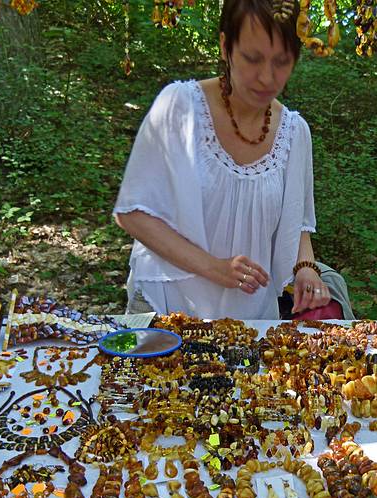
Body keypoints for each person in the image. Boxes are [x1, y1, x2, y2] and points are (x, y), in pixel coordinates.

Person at [113, 0, 332, 319]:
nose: (266, 77)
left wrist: (306, 270)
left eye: (282, 61)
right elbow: (133, 213)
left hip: (250, 318)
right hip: (165, 306)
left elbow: (297, 224)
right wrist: (214, 268)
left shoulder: (294, 134)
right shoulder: (180, 107)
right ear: (225, 46)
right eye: (252, 58)